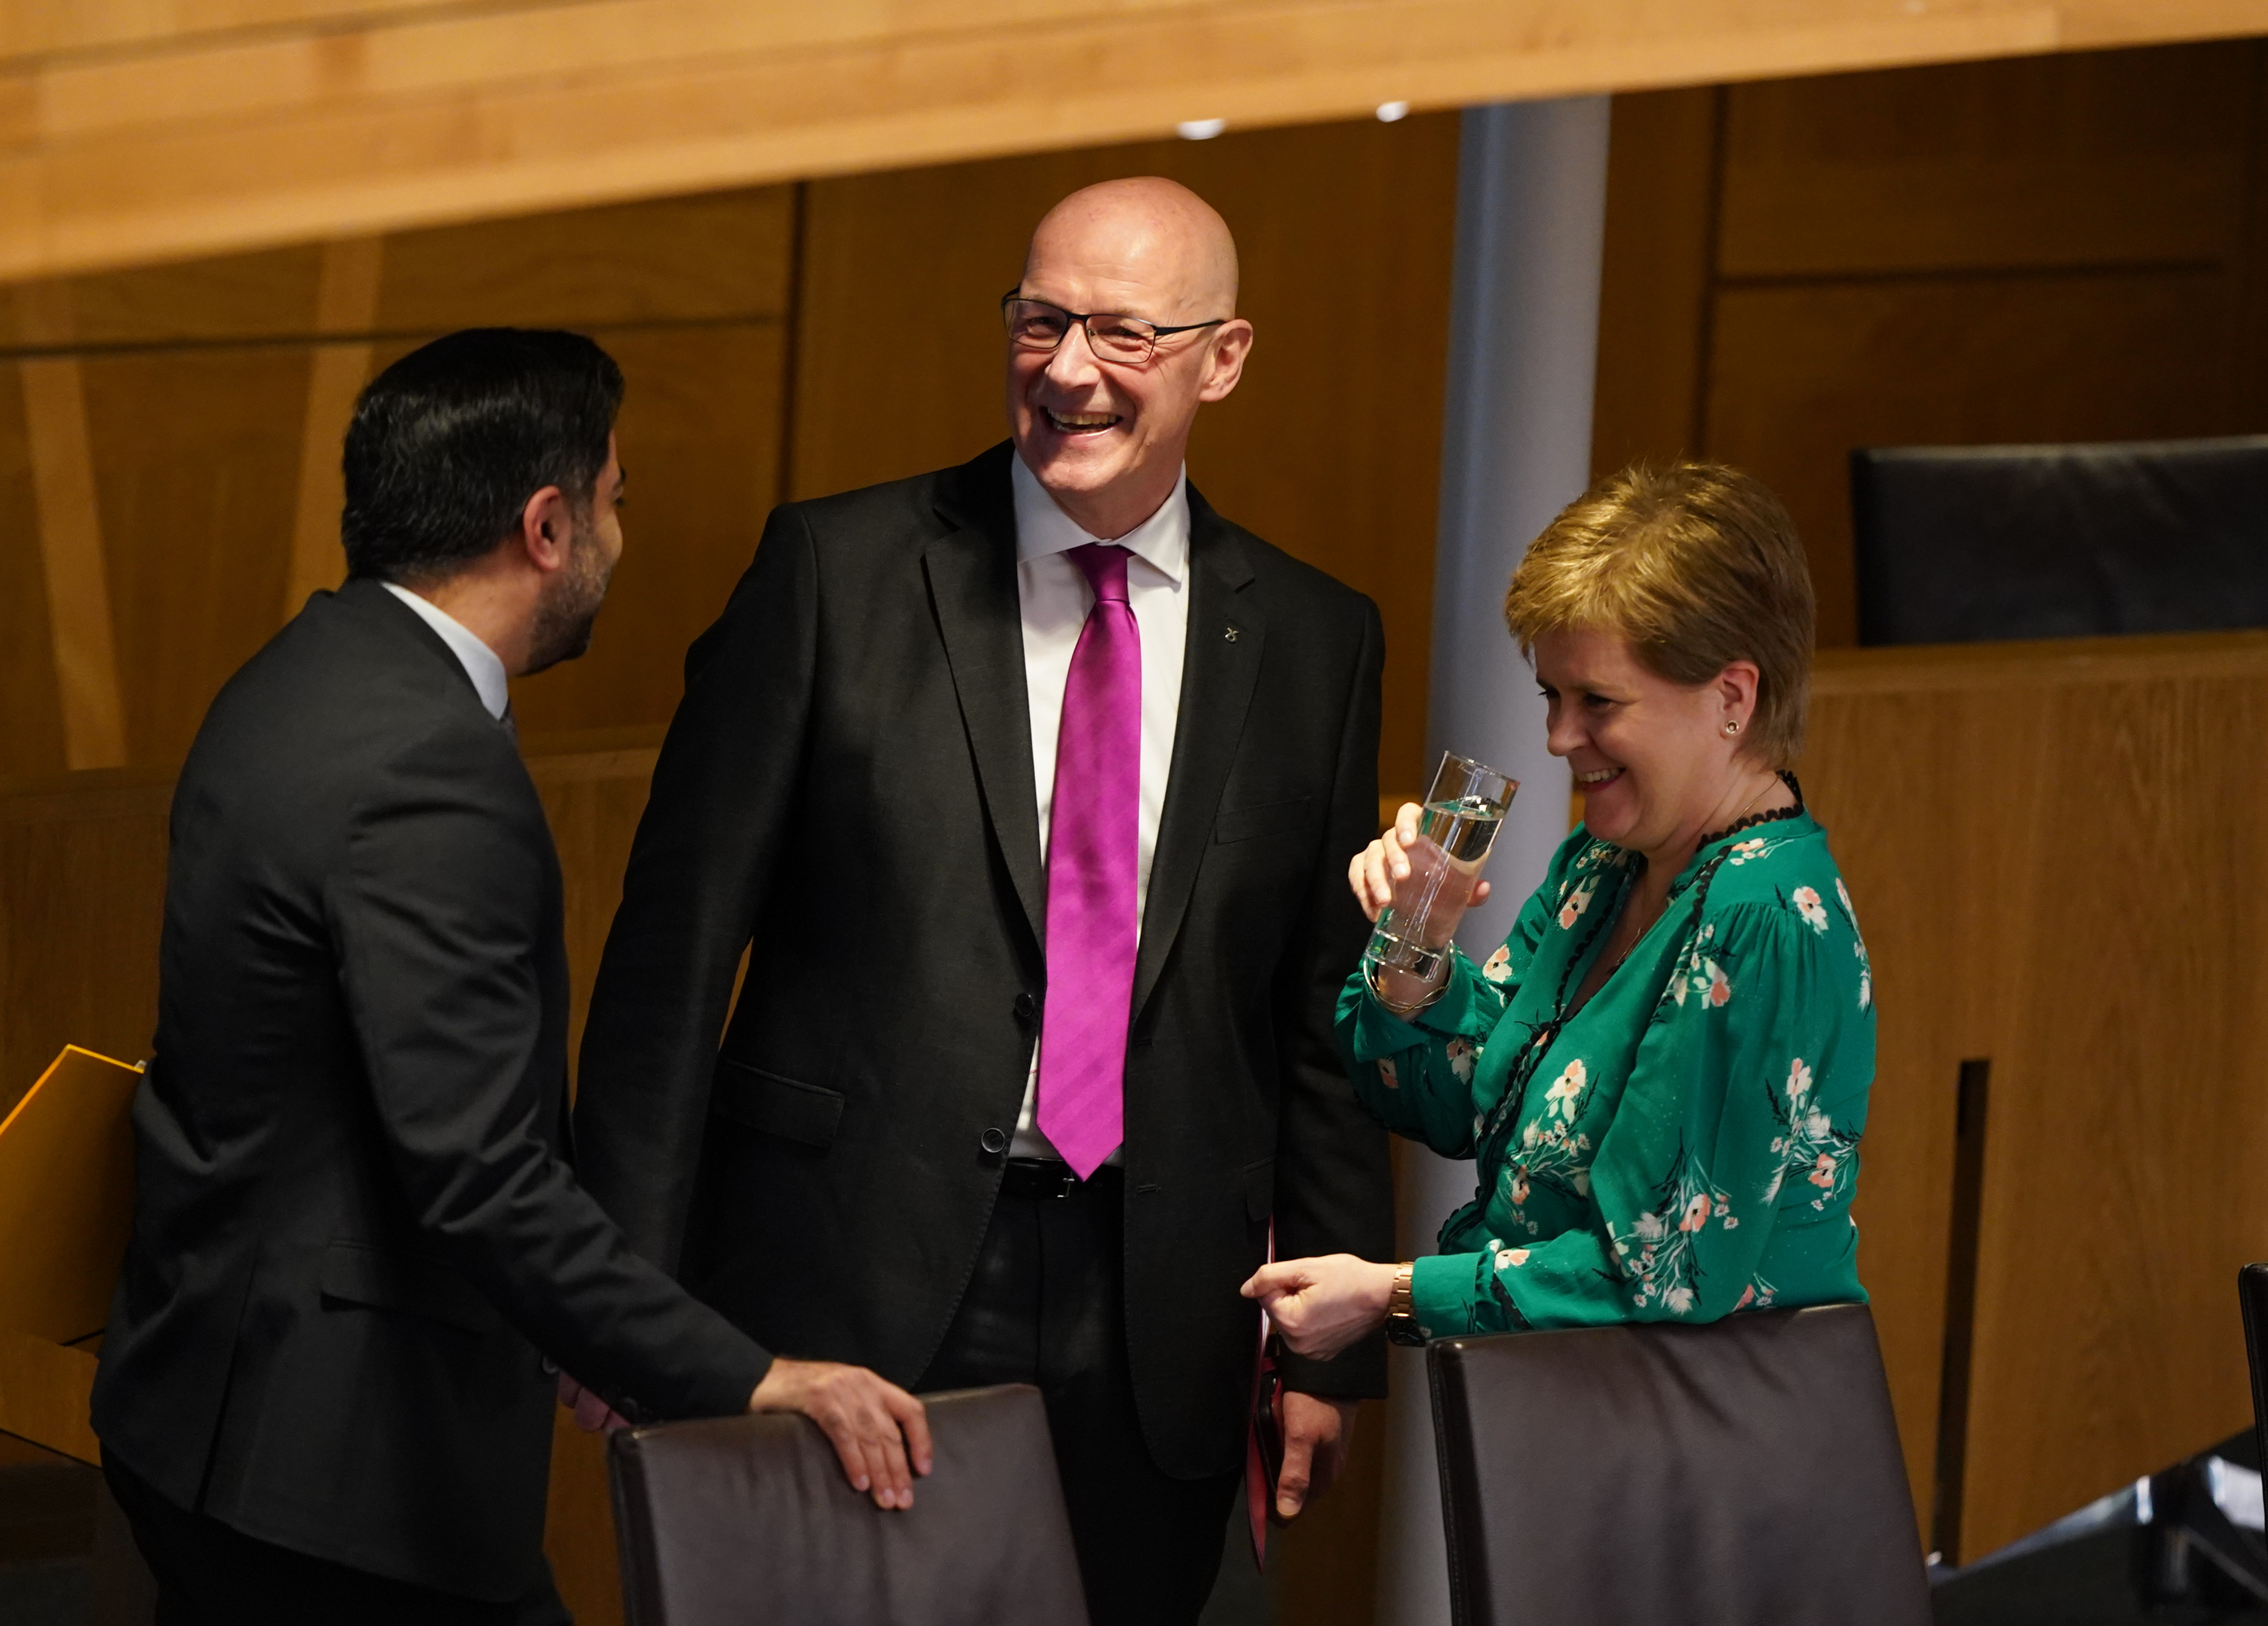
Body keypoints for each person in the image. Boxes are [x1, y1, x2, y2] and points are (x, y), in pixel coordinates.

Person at [572, 178, 1393, 1622]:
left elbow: (1314, 1015)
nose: (1069, 371)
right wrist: (622, 1302)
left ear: (1225, 355)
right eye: (1040, 320)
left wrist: (1323, 1354)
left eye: (1124, 334)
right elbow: (672, 956)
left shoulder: (1319, 639)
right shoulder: (835, 572)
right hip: (849, 1275)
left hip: (1158, 1304)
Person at [90, 329, 929, 1626]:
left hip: (203, 1401)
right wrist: (753, 1376)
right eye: (615, 498)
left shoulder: (302, 673)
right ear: (548, 525)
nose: (617, 536)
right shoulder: (429, 771)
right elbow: (479, 1173)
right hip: (339, 1470)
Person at [1245, 461, 1875, 1356]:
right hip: (1578, 1407)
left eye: (1597, 702)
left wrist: (1394, 1291)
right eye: (1551, 695)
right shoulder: (1606, 862)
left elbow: (1663, 1266)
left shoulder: (1762, 916)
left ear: (1732, 697)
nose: (1556, 739)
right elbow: (1461, 1106)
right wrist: (1415, 940)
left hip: (1689, 1451)